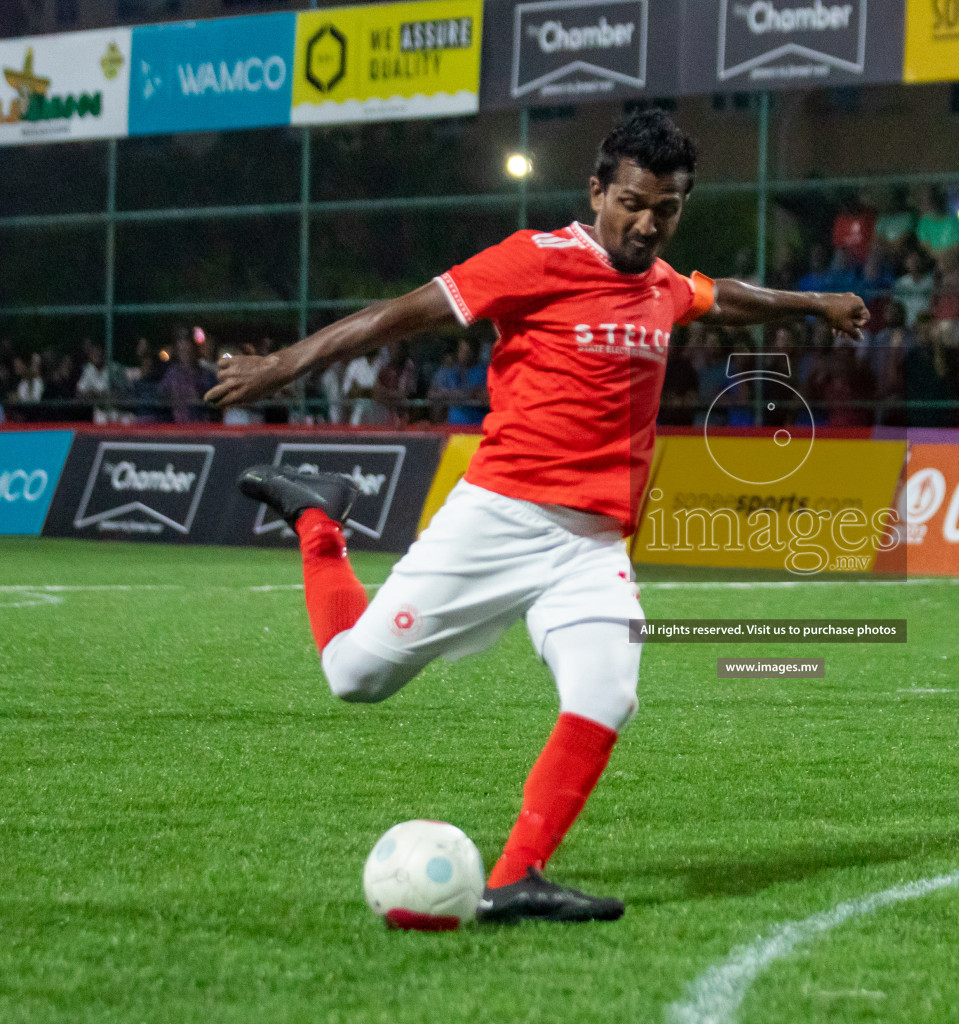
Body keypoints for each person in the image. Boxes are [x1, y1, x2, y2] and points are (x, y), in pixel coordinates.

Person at [205, 110, 868, 924]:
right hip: (499, 517)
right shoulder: (533, 261)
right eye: (632, 202)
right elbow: (398, 315)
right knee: (354, 677)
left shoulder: (660, 284)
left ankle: (518, 876)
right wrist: (282, 365)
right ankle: (318, 521)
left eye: (667, 208)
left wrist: (814, 303)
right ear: (596, 192)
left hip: (592, 546)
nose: (647, 222)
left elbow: (721, 296)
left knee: (606, 691)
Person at [428, 339, 489, 426]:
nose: (464, 354)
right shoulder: (450, 371)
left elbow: (486, 394)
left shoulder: (485, 371)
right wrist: (464, 394)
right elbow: (433, 394)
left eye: (468, 351)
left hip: (477, 427)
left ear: (475, 352)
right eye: (462, 350)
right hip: (454, 426)